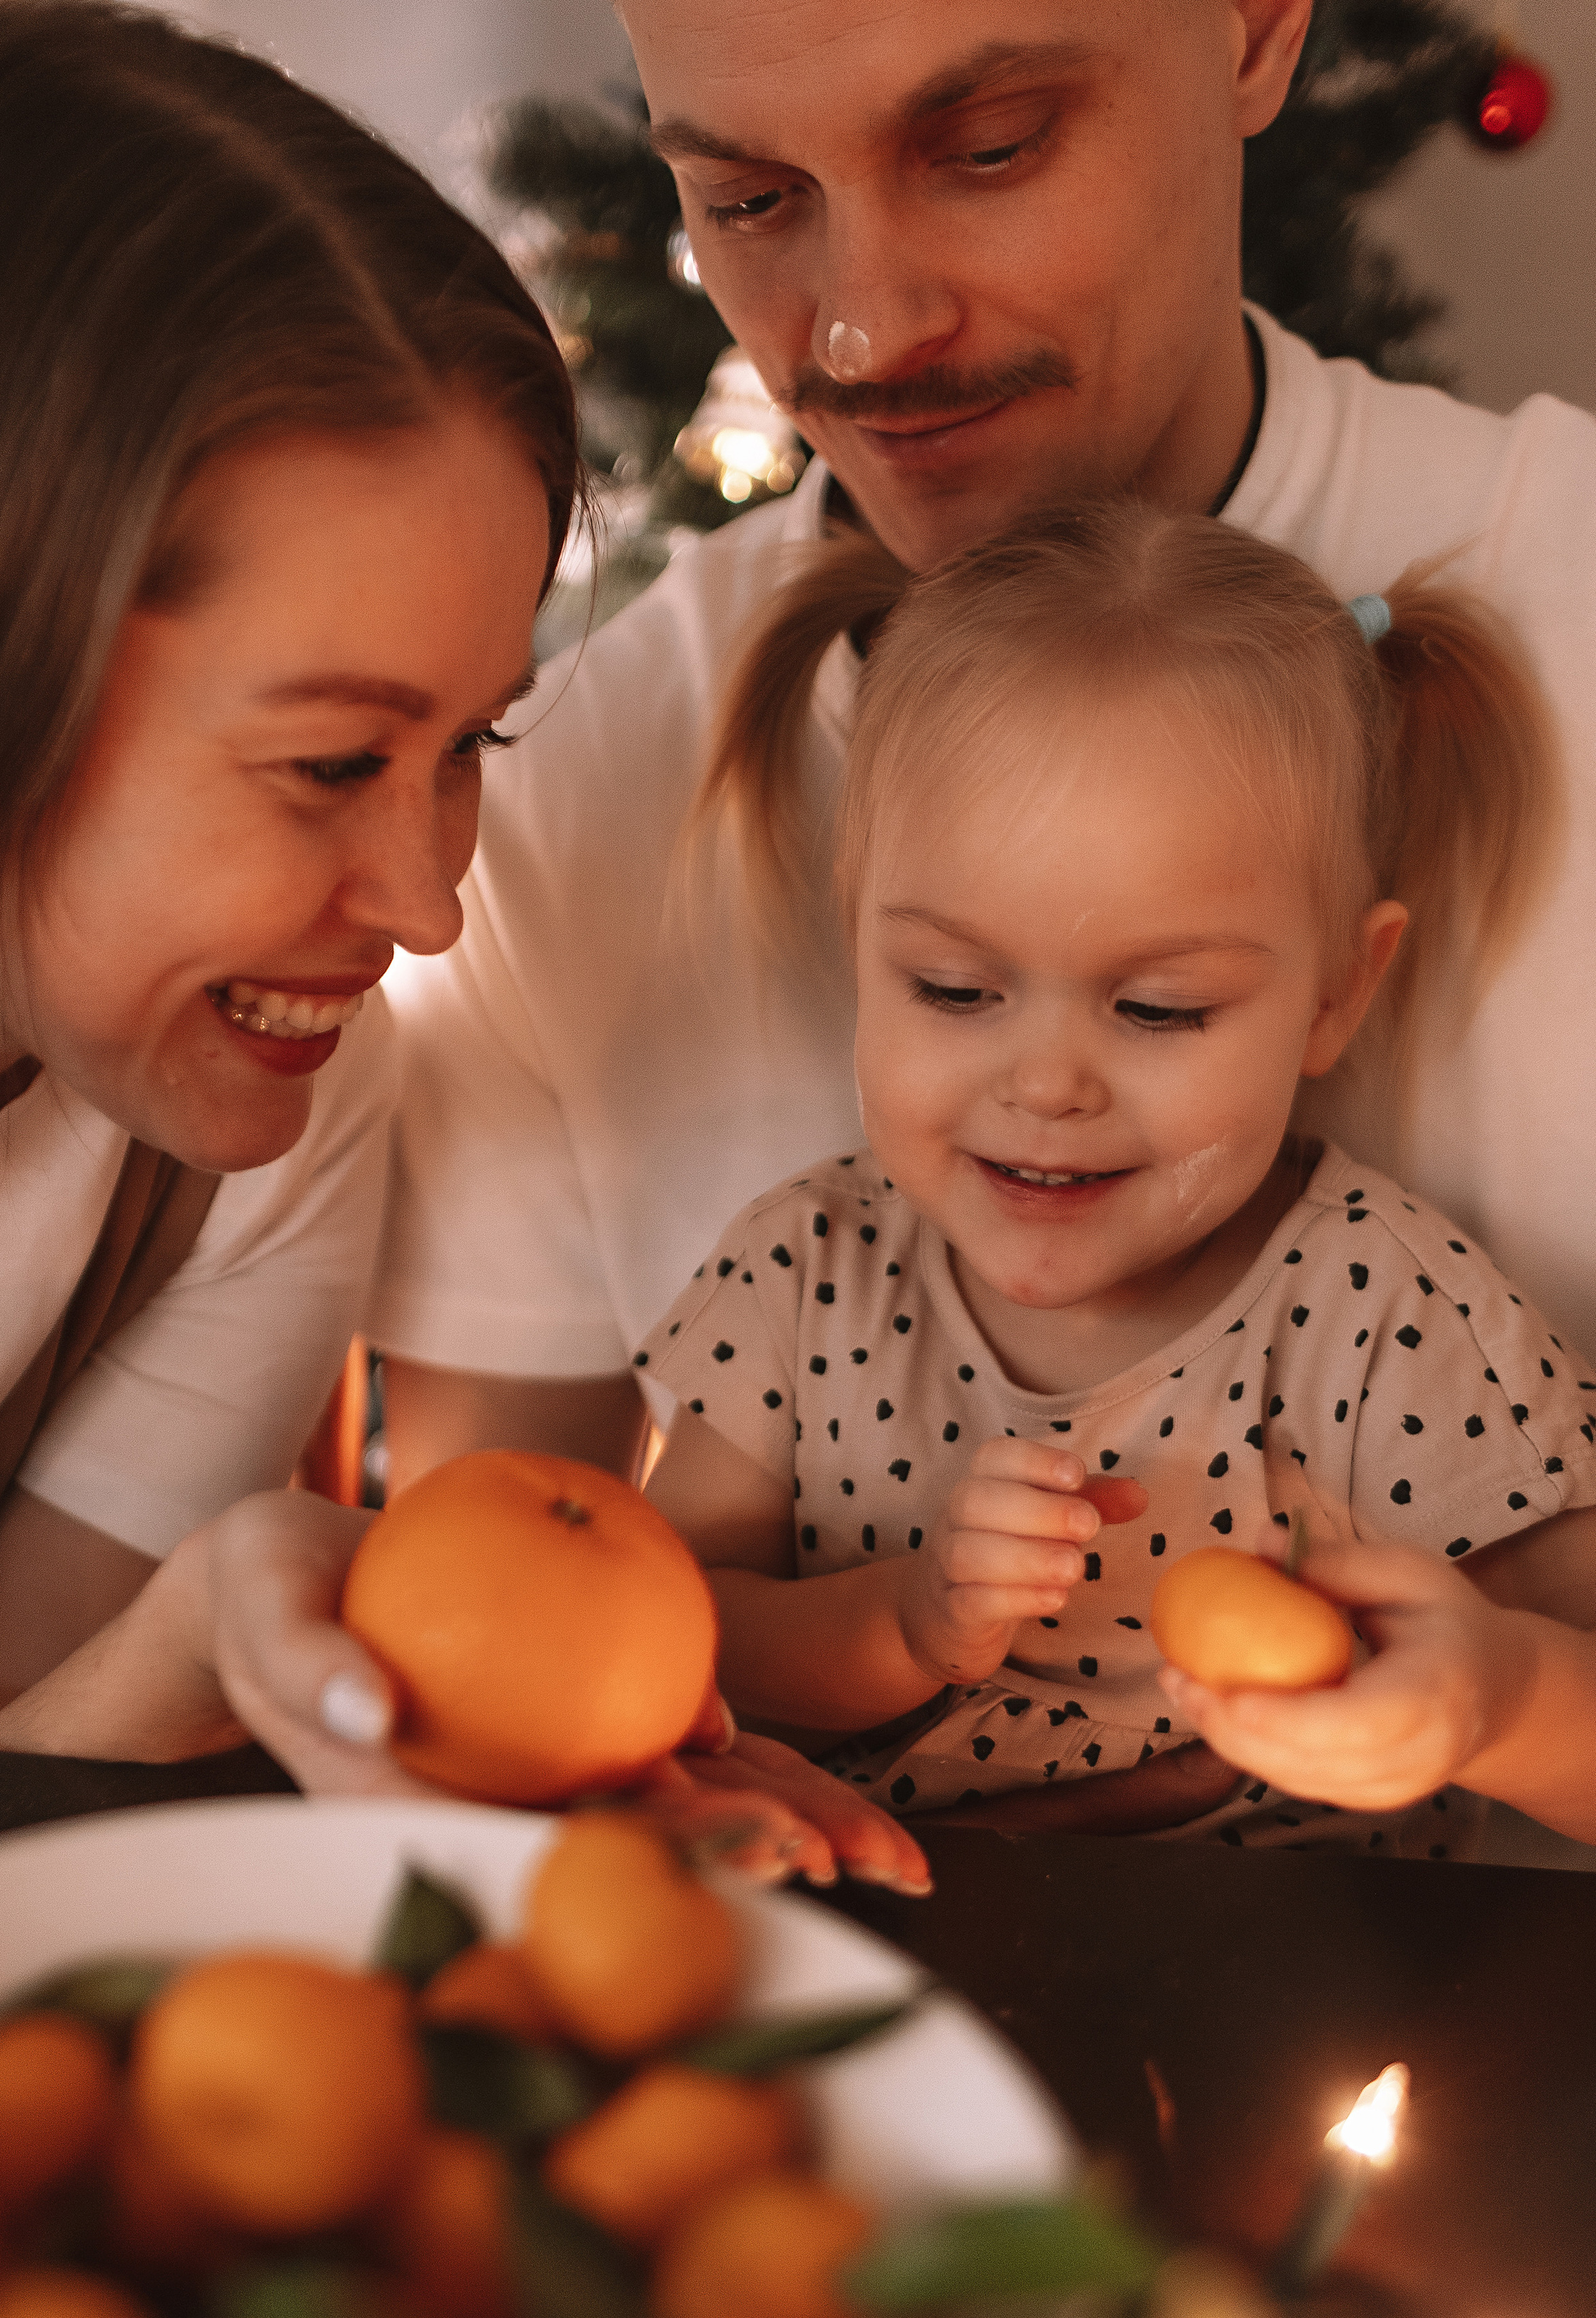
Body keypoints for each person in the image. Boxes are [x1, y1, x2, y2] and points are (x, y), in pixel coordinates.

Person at [373, 0, 1596, 1522]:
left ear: (1255, 31)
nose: (860, 335)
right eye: (746, 204)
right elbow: (498, 1632)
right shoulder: (563, 802)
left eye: (989, 150)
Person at [636, 500, 1596, 1855]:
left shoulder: (1383, 1310)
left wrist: (1497, 1704)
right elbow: (662, 1630)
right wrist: (898, 1624)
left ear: (1336, 993)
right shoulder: (804, 1271)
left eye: (1155, 1010)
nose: (1045, 1085)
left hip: (1285, 2005)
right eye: (953, 988)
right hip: (885, 1971)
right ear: (856, 946)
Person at [0, 0, 570, 1751]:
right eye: (330, 763)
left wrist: (181, 1651)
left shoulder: (266, 1118)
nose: (423, 908)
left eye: (473, 739)